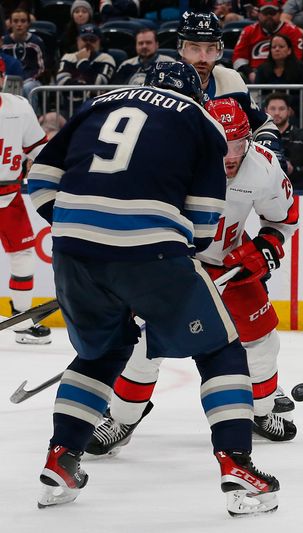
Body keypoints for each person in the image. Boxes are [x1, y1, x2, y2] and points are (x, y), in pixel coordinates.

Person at [26, 62, 280, 516]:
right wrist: (155, 258)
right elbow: (203, 221)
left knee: (99, 353)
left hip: (71, 251)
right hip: (151, 251)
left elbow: (40, 180)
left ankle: (60, 460)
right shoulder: (200, 119)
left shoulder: (96, 104)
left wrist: (80, 232)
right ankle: (238, 465)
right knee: (220, 348)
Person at [85, 97, 300, 458]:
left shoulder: (262, 167)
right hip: (169, 266)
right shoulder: (170, 162)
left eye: (239, 144)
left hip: (230, 268)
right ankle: (122, 419)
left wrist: (263, 248)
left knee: (261, 343)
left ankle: (261, 412)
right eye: (222, 144)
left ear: (249, 138)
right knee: (140, 344)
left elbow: (284, 218)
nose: (231, 156)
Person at [177, 11, 282, 155]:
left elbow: (264, 125)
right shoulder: (162, 83)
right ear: (181, 48)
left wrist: (270, 152)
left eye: (210, 49)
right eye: (195, 48)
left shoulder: (231, 79)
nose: (203, 58)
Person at [0, 57, 51, 345]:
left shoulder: (18, 108)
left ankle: (21, 321)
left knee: (24, 260)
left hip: (8, 198)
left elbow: (38, 148)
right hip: (8, 194)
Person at [232, 0, 303, 83]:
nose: (269, 16)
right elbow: (238, 58)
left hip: (284, 73)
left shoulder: (293, 31)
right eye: (265, 13)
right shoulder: (248, 31)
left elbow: (297, 58)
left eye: (272, 13)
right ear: (258, 14)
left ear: (280, 13)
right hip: (253, 73)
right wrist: (249, 73)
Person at [265, 92, 303, 189]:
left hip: (299, 191)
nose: (276, 113)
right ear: (265, 111)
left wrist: (294, 170)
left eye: (281, 109)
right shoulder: (257, 138)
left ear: (289, 111)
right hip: (266, 192)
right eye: (272, 109)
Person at [1, 8, 45, 101]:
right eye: (15, 21)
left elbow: (41, 68)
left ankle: (32, 114)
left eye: (23, 21)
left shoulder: (36, 42)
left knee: (28, 87)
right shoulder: (4, 42)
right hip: (8, 79)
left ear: (29, 23)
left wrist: (25, 79)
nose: (19, 24)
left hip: (31, 80)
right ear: (10, 23)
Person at [56, 24, 117, 90]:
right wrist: (86, 88)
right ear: (78, 40)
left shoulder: (106, 59)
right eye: (84, 39)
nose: (88, 43)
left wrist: (83, 61)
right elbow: (62, 83)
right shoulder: (68, 57)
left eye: (92, 40)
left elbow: (99, 84)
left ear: (99, 42)